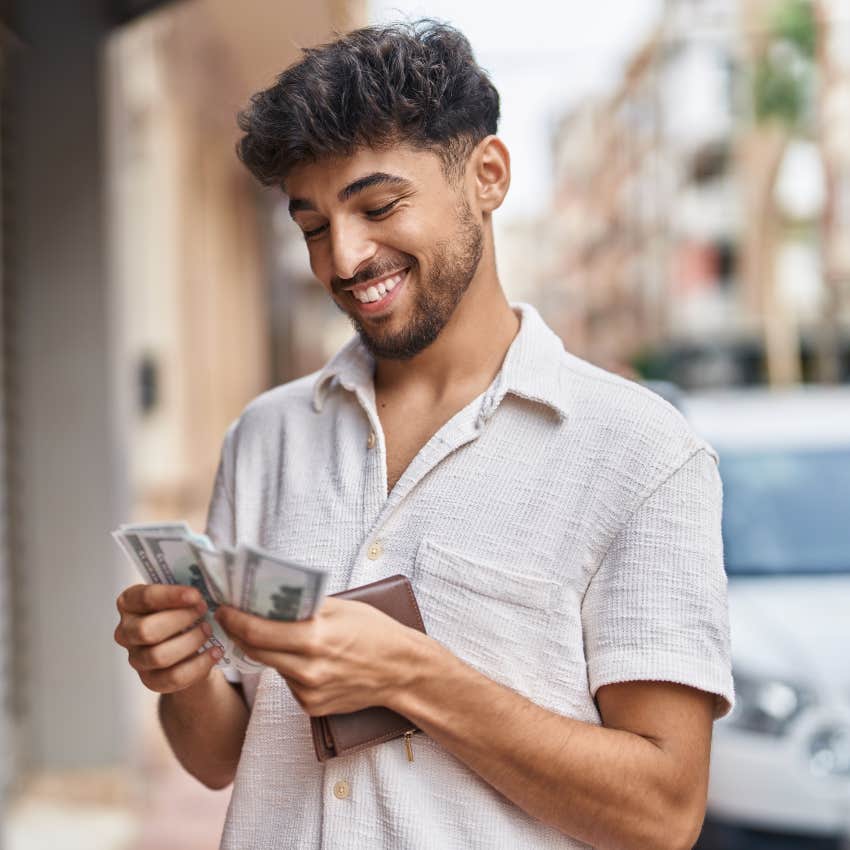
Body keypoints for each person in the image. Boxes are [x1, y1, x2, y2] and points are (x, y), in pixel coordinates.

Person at [113, 20, 734, 850]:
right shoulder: (265, 438)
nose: (345, 257)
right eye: (312, 226)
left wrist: (411, 674)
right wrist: (183, 675)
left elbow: (662, 812)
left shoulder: (641, 455)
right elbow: (220, 757)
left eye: (378, 205)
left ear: (487, 175)